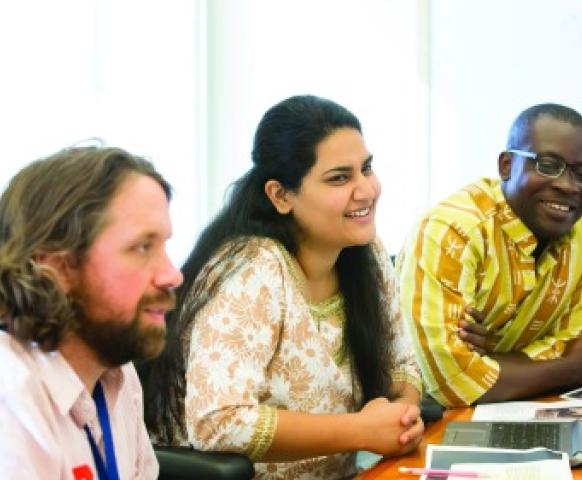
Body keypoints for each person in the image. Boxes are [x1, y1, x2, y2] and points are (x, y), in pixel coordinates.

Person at [139, 95, 424, 479]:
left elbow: (402, 366)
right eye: (339, 177)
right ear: (280, 195)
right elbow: (218, 421)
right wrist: (361, 431)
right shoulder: (252, 268)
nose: (366, 190)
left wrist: (402, 417)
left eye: (366, 168)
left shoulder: (366, 252)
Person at [398, 103, 582, 408]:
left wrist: (489, 360)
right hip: (424, 417)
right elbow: (452, 384)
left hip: (526, 407)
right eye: (547, 165)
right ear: (506, 166)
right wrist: (567, 369)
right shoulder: (452, 230)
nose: (567, 186)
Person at [0, 146, 183, 479]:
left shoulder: (119, 374)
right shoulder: (10, 400)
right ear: (56, 268)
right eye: (142, 247)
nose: (173, 275)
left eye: (164, 246)